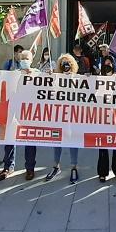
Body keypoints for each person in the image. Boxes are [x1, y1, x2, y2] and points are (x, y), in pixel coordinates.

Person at [0, 50, 38, 181]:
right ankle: (8, 166)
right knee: (10, 137)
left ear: (32, 60)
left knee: (30, 139)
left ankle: (30, 168)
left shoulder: (37, 74)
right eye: (22, 58)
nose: (24, 60)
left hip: (30, 111)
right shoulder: (14, 74)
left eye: (27, 58)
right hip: (14, 108)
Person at [46, 54, 81, 183]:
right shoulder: (56, 78)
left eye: (68, 63)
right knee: (57, 139)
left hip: (72, 115)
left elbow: (82, 94)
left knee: (72, 140)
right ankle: (56, 166)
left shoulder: (77, 78)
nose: (65, 65)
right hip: (59, 114)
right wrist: (51, 77)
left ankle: (74, 166)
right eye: (63, 63)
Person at [97, 55, 116, 182]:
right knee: (102, 144)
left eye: (110, 63)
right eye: (105, 63)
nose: (107, 65)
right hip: (102, 116)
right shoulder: (97, 78)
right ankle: (103, 172)